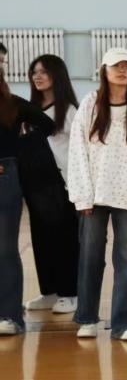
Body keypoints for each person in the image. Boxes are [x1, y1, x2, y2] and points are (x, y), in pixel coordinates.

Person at [67, 48, 127, 341]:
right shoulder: (90, 103)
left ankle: (124, 324)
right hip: (94, 195)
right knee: (90, 257)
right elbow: (77, 150)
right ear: (104, 70)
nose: (122, 70)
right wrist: (82, 195)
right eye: (116, 66)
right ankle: (87, 318)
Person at [0, 42, 55, 336]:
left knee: (5, 248)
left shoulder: (13, 104)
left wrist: (16, 153)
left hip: (4, 177)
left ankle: (10, 316)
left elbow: (48, 126)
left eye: (1, 61)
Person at [24, 54, 80, 315]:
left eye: (44, 72)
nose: (38, 76)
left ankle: (70, 293)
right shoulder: (29, 110)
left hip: (63, 185)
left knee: (64, 240)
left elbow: (80, 149)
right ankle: (50, 291)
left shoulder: (68, 110)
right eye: (34, 72)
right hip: (36, 186)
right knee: (42, 240)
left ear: (57, 75)